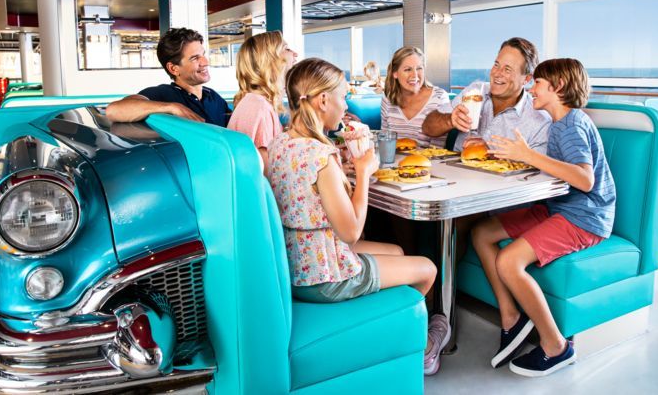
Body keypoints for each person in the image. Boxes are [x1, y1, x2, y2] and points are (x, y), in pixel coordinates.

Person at [267, 57, 449, 376]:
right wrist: (364, 172)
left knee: (396, 251)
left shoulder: (281, 143)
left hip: (294, 262)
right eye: (341, 96)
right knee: (427, 269)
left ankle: (393, 323)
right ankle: (416, 344)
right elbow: (351, 233)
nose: (345, 104)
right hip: (324, 277)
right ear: (323, 100)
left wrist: (345, 171)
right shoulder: (321, 156)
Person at [472, 58, 616, 377]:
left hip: (584, 217)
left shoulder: (573, 124)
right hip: (557, 206)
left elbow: (585, 179)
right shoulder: (559, 123)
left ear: (558, 87)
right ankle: (512, 318)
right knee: (482, 232)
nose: (530, 87)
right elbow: (555, 170)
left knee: (509, 261)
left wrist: (529, 155)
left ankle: (556, 346)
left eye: (536, 82)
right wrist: (514, 158)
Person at [422, 37, 550, 152]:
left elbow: (538, 170)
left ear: (526, 79)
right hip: (457, 173)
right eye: (496, 65)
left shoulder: (539, 121)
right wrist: (450, 120)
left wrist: (491, 153)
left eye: (507, 69)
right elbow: (427, 128)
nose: (497, 73)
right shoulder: (475, 91)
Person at [106, 27, 231, 126]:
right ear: (173, 68)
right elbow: (114, 110)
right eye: (195, 58)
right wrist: (173, 107)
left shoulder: (213, 96)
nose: (205, 62)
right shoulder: (164, 94)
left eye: (203, 54)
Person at [227, 31, 295, 169]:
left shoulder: (253, 101)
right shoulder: (261, 108)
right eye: (286, 49)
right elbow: (268, 176)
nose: (295, 53)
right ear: (270, 60)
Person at [382, 47, 452, 148]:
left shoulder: (439, 98)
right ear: (395, 73)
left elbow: (438, 150)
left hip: (429, 162)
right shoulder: (387, 98)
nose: (415, 75)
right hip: (392, 162)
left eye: (419, 68)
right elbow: (385, 139)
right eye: (407, 69)